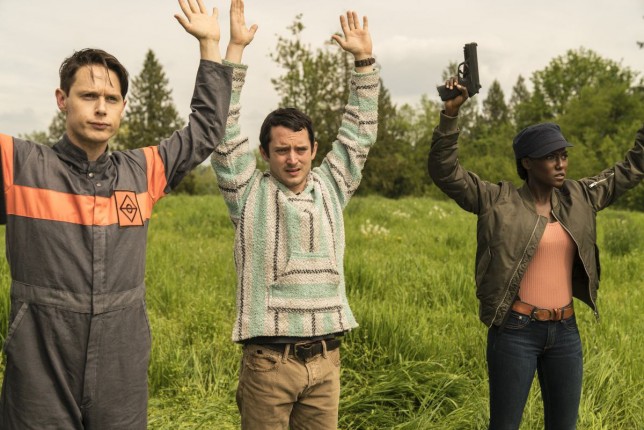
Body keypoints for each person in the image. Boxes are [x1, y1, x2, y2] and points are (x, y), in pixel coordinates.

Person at [0, 1, 232, 428]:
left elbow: (205, 130)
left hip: (121, 363)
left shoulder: (143, 171)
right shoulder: (19, 164)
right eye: (88, 96)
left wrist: (210, 45)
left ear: (124, 106)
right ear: (62, 100)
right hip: (39, 364)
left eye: (112, 99)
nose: (101, 108)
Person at [428, 77, 643, 429]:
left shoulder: (580, 196)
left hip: (566, 332)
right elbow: (445, 172)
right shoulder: (497, 201)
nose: (561, 164)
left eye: (564, 156)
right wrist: (450, 115)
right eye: (550, 157)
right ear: (527, 162)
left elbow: (629, 170)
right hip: (515, 332)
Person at [210, 1, 379, 428]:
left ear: (314, 150)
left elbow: (359, 135)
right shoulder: (248, 192)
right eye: (282, 150)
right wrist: (235, 51)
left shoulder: (331, 185)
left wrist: (363, 61)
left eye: (301, 149)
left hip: (326, 362)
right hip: (269, 363)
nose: (292, 158)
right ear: (264, 152)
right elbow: (223, 132)